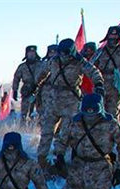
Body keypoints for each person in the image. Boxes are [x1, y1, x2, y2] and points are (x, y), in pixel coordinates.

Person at [36, 39, 104, 171]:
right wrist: (36, 84)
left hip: (71, 101)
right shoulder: (54, 61)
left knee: (66, 132)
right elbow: (42, 72)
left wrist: (99, 84)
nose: (64, 56)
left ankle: (59, 157)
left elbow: (94, 72)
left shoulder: (79, 62)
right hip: (53, 99)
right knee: (46, 131)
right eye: (61, 53)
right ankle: (41, 159)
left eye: (66, 53)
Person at [91, 26, 120, 119]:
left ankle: (112, 133)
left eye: (115, 36)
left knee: (112, 116)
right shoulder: (100, 51)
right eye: (110, 35)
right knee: (96, 114)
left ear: (119, 37)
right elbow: (91, 67)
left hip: (115, 87)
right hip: (100, 86)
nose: (112, 38)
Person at [12, 45, 42, 124]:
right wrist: (15, 90)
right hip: (27, 91)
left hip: (40, 91)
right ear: (26, 54)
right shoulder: (22, 67)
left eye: (33, 52)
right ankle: (23, 128)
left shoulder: (41, 65)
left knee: (41, 112)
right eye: (30, 53)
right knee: (25, 113)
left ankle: (38, 128)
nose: (31, 54)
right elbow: (16, 78)